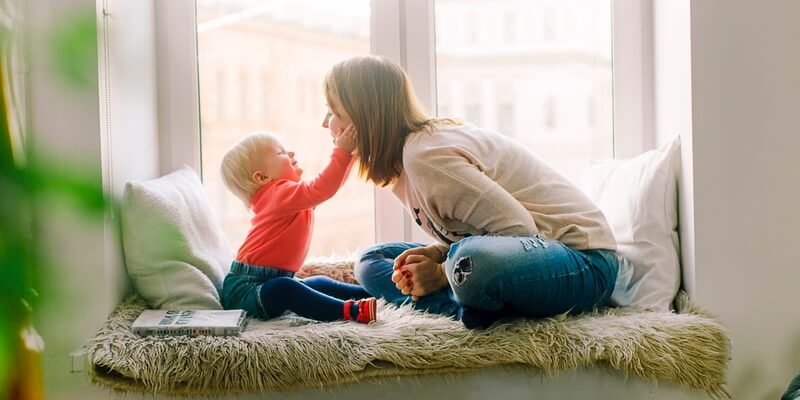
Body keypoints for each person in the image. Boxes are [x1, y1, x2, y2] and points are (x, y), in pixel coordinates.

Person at [321, 55, 619, 329]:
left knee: (470, 262)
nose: (326, 123)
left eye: (333, 111)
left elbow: (520, 230)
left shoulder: (425, 156)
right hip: (521, 256)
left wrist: (439, 273)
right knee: (372, 260)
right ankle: (469, 306)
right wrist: (439, 255)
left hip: (584, 263)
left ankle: (464, 299)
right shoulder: (405, 164)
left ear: (364, 117)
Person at [219, 130, 377, 324]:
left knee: (318, 282)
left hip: (268, 281)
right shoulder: (278, 194)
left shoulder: (285, 197)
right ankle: (350, 311)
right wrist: (342, 152)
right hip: (246, 290)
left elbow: (327, 189)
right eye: (281, 153)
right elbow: (323, 187)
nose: (291, 153)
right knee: (286, 289)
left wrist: (351, 157)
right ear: (262, 177)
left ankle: (372, 293)